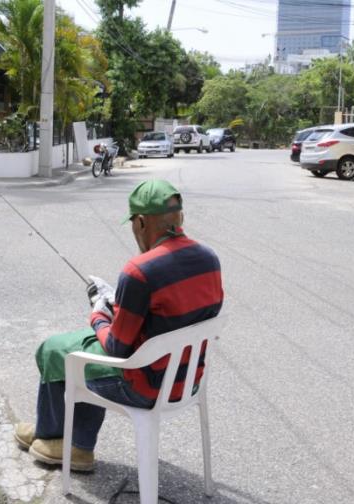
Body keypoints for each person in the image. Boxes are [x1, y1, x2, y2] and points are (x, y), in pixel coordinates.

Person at [14, 179, 224, 472]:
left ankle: (58, 439)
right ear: (180, 216)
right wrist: (119, 304)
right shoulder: (210, 259)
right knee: (80, 347)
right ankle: (74, 441)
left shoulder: (140, 271)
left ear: (140, 222)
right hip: (187, 380)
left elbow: (115, 347)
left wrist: (99, 313)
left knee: (54, 350)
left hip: (144, 386)